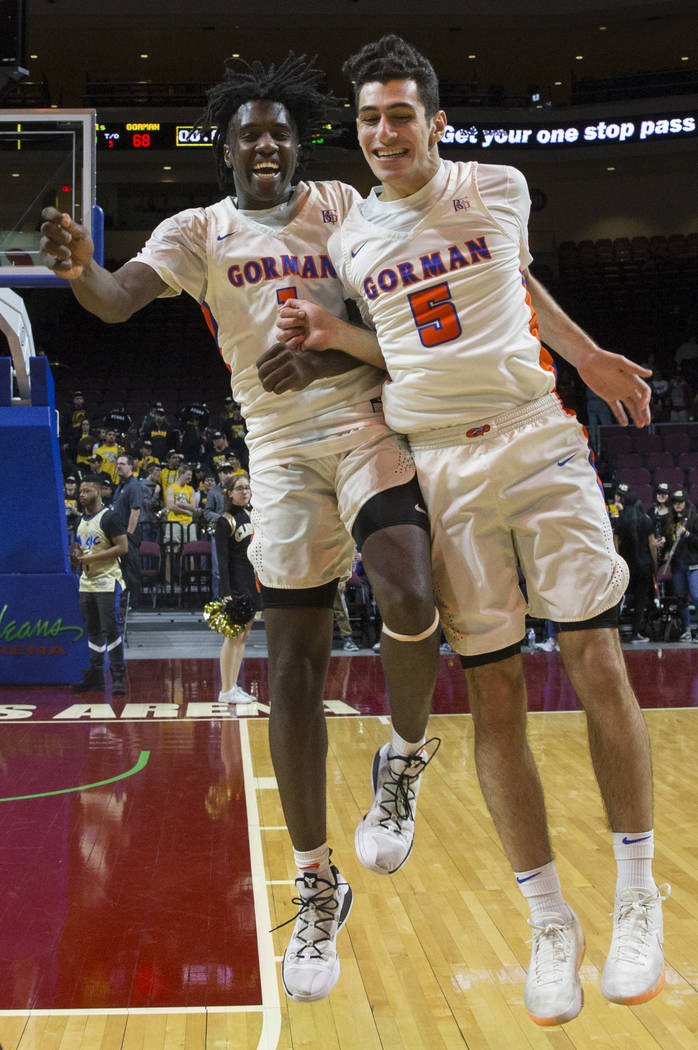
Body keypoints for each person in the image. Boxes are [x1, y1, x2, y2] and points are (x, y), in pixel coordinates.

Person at [274, 34, 666, 1025]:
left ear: (435, 122)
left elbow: (515, 283)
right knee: (493, 698)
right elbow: (410, 341)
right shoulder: (353, 240)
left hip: (535, 441)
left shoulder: (498, 184)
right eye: (367, 118)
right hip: (439, 466)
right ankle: (546, 922)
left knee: (594, 662)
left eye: (399, 113)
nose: (382, 132)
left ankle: (635, 895)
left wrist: (583, 358)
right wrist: (332, 336)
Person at [39, 52, 441, 1005]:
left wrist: (340, 348)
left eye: (279, 132)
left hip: (365, 420)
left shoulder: (343, 205)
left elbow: (412, 313)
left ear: (297, 144)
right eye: (247, 134)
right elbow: (114, 302)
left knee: (410, 589)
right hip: (275, 448)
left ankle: (406, 754)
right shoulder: (196, 230)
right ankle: (315, 881)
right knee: (294, 670)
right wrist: (86, 269)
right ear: (226, 151)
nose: (264, 144)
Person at [70, 474, 128, 695]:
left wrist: (89, 559)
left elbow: (123, 548)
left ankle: (118, 676)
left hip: (107, 580)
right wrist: (76, 554)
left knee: (110, 628)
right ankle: (95, 676)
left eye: (86, 490)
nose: (81, 494)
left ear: (98, 491)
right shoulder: (79, 520)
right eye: (80, 491)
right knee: (93, 630)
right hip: (87, 582)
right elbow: (79, 547)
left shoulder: (110, 517)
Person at [214, 473, 259, 705]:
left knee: (243, 636)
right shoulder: (224, 521)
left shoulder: (253, 515)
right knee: (232, 636)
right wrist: (225, 592)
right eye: (239, 488)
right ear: (229, 493)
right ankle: (226, 688)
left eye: (247, 488)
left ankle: (232, 686)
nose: (244, 491)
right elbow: (221, 561)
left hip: (252, 582)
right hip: (236, 583)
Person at [615, 490, 657, 643]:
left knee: (619, 599)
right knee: (640, 600)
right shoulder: (646, 521)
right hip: (644, 566)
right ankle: (635, 634)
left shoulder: (621, 521)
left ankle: (614, 631)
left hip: (626, 567)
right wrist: (655, 566)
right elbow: (653, 546)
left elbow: (615, 546)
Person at [662, 489, 698, 641]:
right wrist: (664, 548)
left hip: (693, 564)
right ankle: (687, 630)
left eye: (680, 502)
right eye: (675, 503)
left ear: (685, 503)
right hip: (677, 565)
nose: (678, 505)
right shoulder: (669, 521)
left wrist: (687, 534)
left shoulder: (694, 519)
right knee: (681, 598)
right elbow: (669, 543)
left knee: (696, 596)